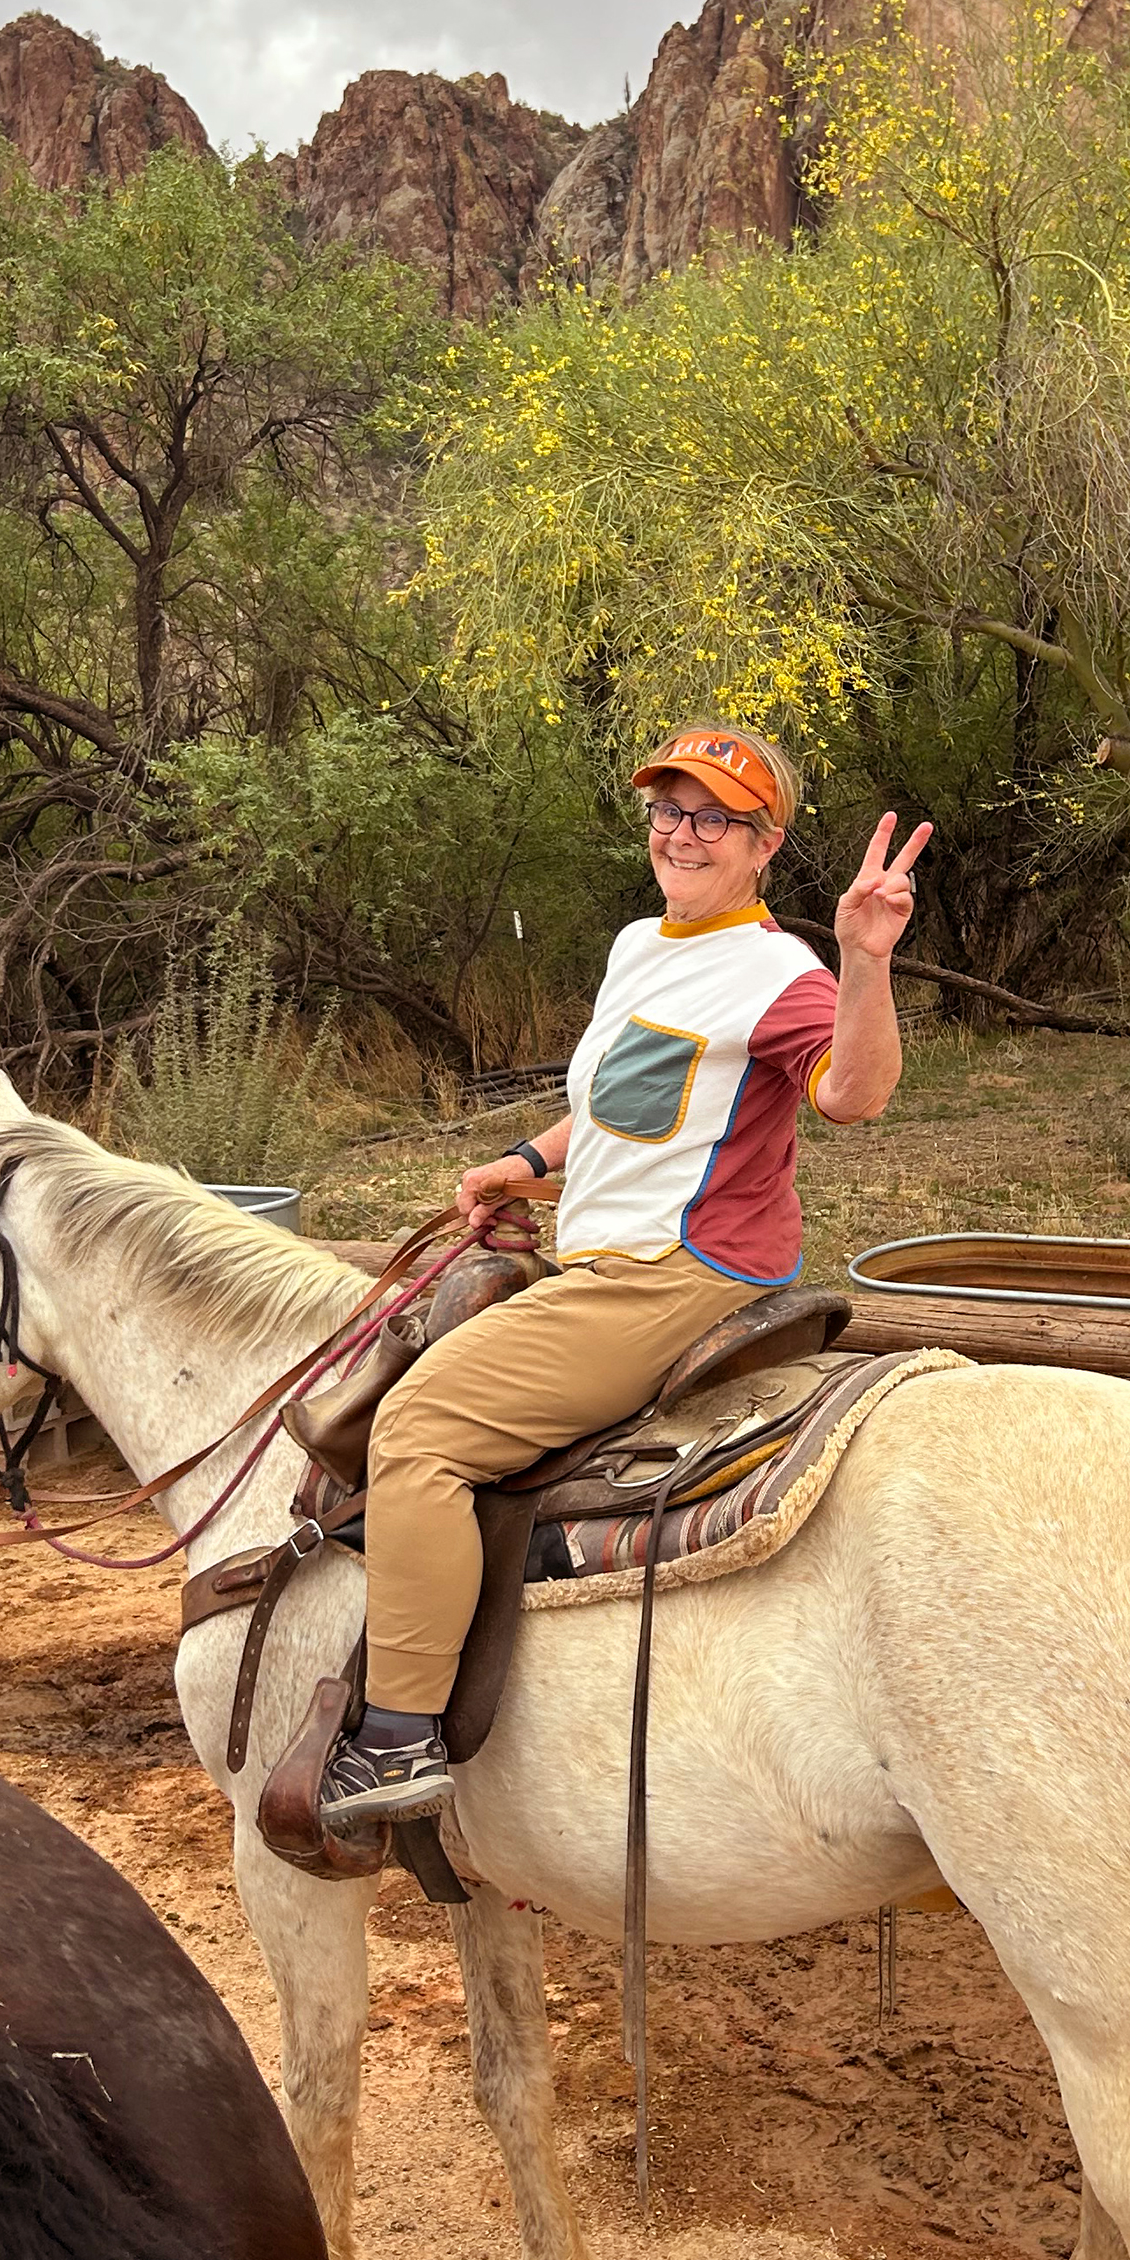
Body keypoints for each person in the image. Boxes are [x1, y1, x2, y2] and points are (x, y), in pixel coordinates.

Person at [319, 724, 932, 1828]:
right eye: (668, 810)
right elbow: (619, 1103)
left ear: (765, 845)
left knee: (416, 1431)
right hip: (607, 1257)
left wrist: (866, 959)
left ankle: (398, 1739)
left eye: (715, 819)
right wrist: (524, 1162)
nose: (682, 835)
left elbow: (854, 1095)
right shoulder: (640, 944)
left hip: (677, 1272)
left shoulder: (778, 977)